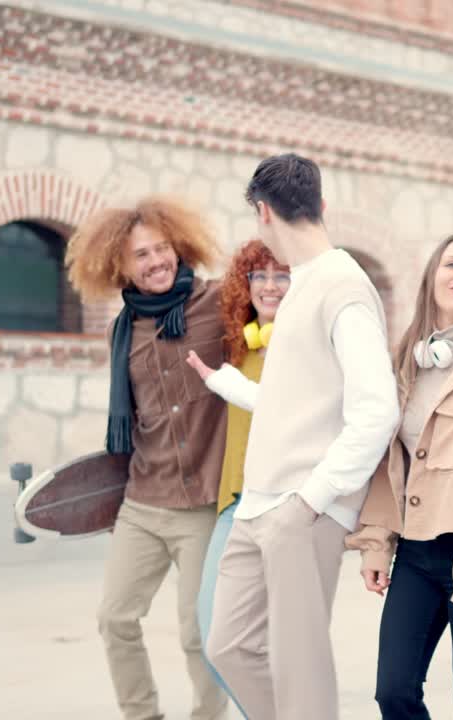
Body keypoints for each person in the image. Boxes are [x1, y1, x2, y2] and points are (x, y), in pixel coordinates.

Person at [205, 153, 400, 719]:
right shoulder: (304, 285)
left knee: (300, 669)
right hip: (258, 503)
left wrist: (311, 501)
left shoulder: (343, 286)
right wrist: (226, 384)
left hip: (303, 508)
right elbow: (293, 402)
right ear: (321, 206)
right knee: (229, 646)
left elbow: (376, 410)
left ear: (263, 213)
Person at [346, 232, 453, 720]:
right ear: (431, 280)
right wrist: (377, 544)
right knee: (394, 692)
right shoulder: (406, 360)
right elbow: (388, 465)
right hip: (415, 556)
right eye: (451, 264)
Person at [65, 196, 228, 720]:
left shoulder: (223, 303)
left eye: (162, 249)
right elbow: (131, 423)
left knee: (198, 632)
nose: (156, 261)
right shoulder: (123, 330)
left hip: (203, 503)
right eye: (141, 254)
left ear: (180, 247)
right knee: (115, 618)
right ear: (120, 264)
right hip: (142, 502)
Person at [184, 238, 292, 718]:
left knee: (268, 647)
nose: (269, 286)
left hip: (284, 508)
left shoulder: (305, 345)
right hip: (234, 503)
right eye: (259, 276)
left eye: (281, 275)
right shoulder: (240, 341)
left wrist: (221, 381)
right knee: (216, 640)